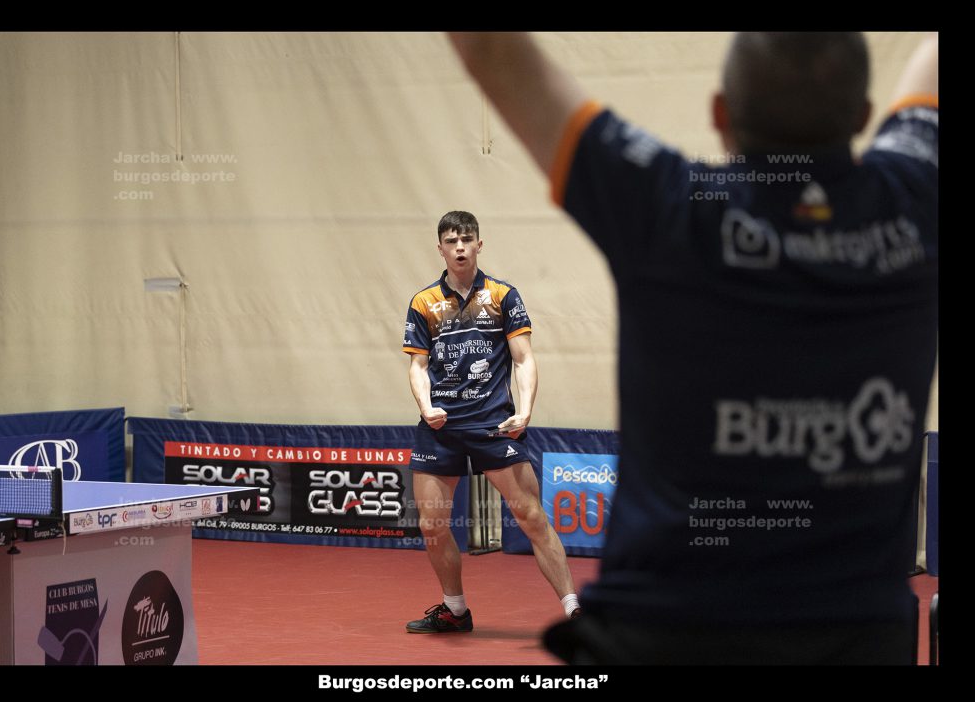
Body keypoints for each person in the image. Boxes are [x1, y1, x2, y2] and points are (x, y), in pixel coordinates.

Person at [446, 32, 938, 663]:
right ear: (864, 116)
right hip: (859, 641)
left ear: (719, 113)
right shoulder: (911, 202)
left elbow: (492, 51)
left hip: (665, 636)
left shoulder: (668, 205)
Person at [401, 210, 581, 633]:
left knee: (531, 517)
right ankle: (455, 610)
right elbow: (418, 366)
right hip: (440, 430)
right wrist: (426, 407)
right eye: (451, 241)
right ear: (440, 248)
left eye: (466, 239)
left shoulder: (503, 296)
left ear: (479, 245)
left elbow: (523, 359)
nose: (459, 247)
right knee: (432, 525)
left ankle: (575, 609)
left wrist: (526, 409)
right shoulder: (424, 302)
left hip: (493, 427)